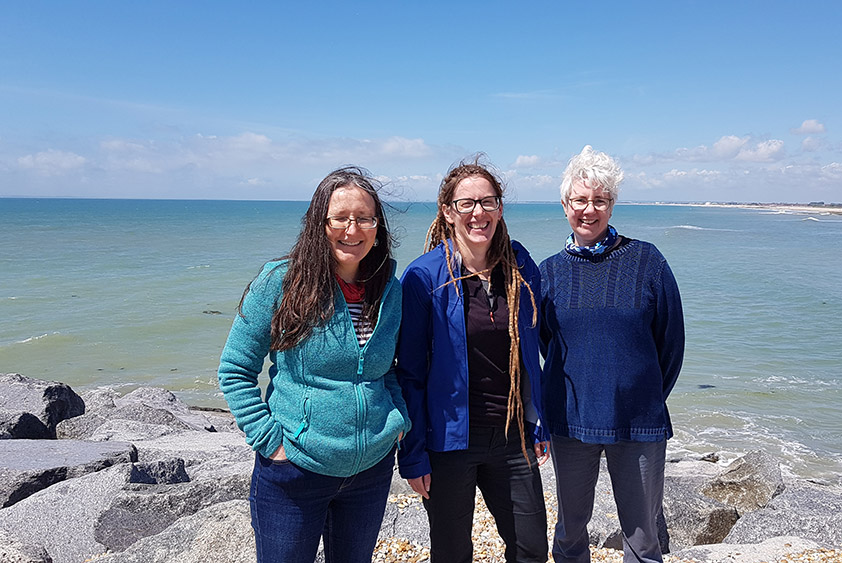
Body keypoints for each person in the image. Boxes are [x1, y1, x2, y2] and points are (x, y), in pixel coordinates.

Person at [218, 167, 409, 563]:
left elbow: (385, 367)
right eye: (340, 218)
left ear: (377, 227)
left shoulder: (388, 289)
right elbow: (235, 369)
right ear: (319, 223)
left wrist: (397, 420)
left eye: (364, 218)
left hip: (370, 470)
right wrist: (270, 441)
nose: (351, 229)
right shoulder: (281, 281)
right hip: (295, 471)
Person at [396, 158, 550, 563]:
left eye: (488, 202)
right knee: (452, 552)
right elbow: (409, 373)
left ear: (499, 209)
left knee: (532, 547)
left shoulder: (521, 268)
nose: (478, 212)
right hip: (449, 442)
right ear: (448, 212)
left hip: (512, 435)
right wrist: (412, 453)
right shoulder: (423, 277)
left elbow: (535, 353)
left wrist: (540, 421)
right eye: (466, 204)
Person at [539, 146, 685, 563]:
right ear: (565, 205)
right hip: (569, 422)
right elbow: (546, 345)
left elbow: (670, 344)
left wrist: (642, 394)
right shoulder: (548, 271)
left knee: (643, 538)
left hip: (638, 421)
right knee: (569, 531)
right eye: (580, 200)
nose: (589, 209)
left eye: (599, 200)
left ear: (611, 205)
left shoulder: (648, 261)